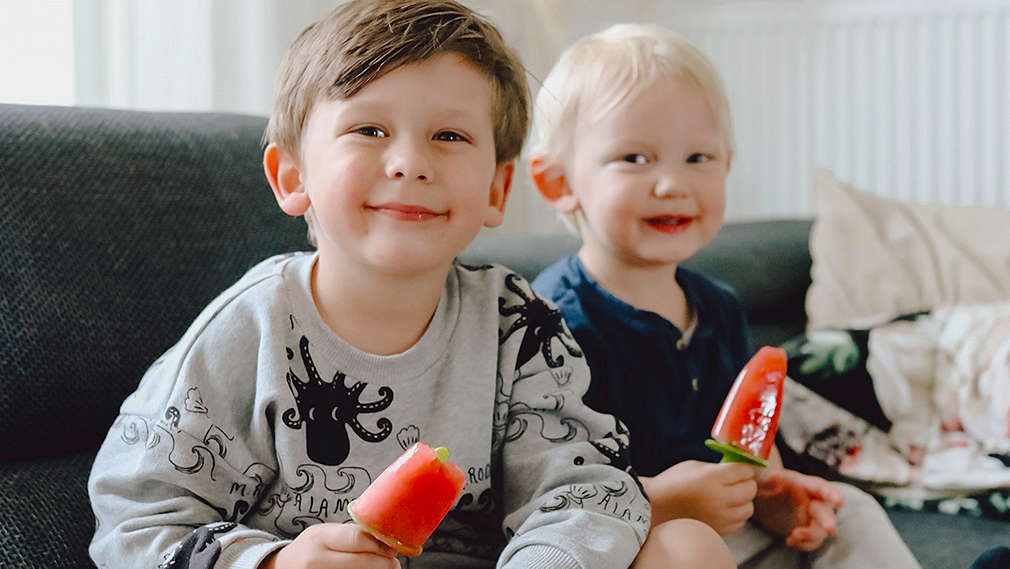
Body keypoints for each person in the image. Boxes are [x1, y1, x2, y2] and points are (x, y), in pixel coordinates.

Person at [87, 3, 734, 569]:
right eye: (369, 130)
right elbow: (136, 520)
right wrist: (271, 561)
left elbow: (584, 490)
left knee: (689, 548)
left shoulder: (520, 327)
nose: (410, 162)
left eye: (449, 136)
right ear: (291, 175)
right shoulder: (249, 330)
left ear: (497, 190)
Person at [529, 23, 922, 568]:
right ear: (559, 182)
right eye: (635, 159)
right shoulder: (550, 324)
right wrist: (662, 501)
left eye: (699, 158)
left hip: (734, 539)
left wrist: (778, 496)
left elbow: (756, 452)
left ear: (728, 166)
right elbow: (549, 492)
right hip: (631, 542)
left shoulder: (720, 308)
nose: (673, 183)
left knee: (848, 508)